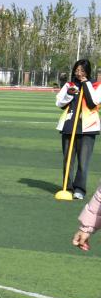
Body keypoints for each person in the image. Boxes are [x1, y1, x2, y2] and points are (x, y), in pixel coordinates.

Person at [56, 59, 100, 200]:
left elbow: (93, 103)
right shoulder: (69, 85)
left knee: (83, 161)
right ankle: (67, 187)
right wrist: (69, 94)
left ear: (87, 71)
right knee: (67, 159)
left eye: (82, 70)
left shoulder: (96, 85)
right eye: (77, 70)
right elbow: (59, 103)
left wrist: (86, 84)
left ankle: (79, 189)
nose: (79, 73)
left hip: (88, 127)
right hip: (69, 125)